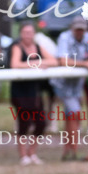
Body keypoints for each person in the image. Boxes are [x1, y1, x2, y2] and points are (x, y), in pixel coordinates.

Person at [9, 21, 57, 165]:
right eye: (25, 32)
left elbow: (54, 61)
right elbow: (15, 64)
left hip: (35, 90)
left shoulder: (37, 47)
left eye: (30, 32)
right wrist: (36, 63)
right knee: (24, 122)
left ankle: (32, 152)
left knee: (41, 123)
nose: (28, 35)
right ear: (21, 34)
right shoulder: (17, 47)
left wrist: (40, 62)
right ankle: (23, 155)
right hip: (20, 90)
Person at [51, 16, 88, 160]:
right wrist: (86, 64)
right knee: (75, 113)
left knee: (71, 116)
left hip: (77, 84)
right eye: (77, 29)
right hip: (62, 83)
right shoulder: (64, 37)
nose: (79, 32)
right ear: (72, 28)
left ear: (85, 30)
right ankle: (75, 150)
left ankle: (68, 151)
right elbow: (63, 60)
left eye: (81, 30)